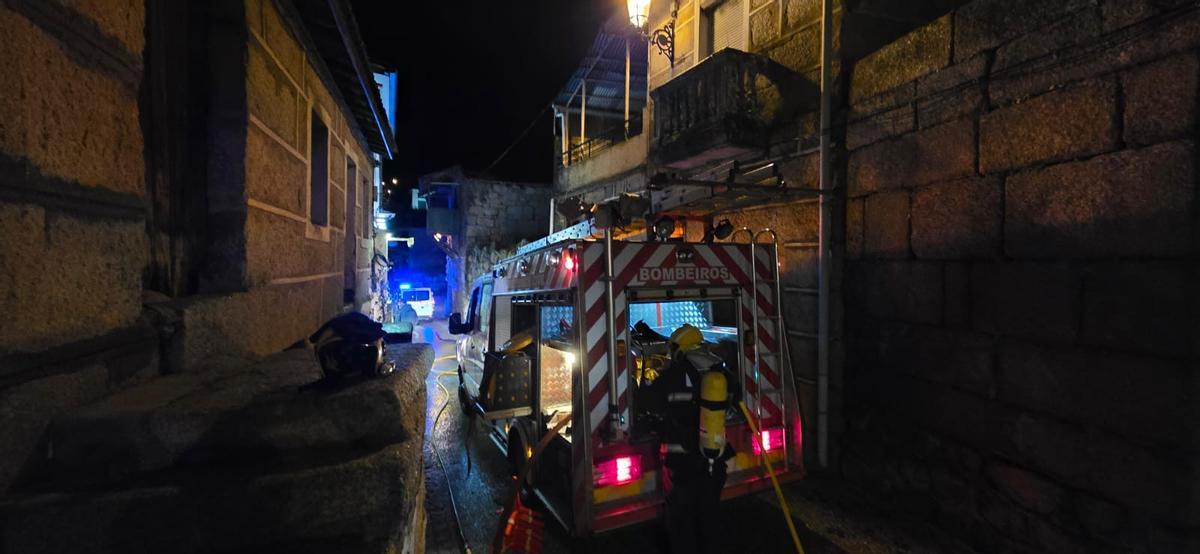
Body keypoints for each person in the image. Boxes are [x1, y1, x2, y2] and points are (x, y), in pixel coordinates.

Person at [650, 324, 735, 554]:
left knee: (681, 525)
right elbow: (734, 400)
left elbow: (648, 400)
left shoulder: (676, 373)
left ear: (679, 349)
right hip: (714, 463)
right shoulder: (719, 370)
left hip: (684, 466)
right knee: (709, 520)